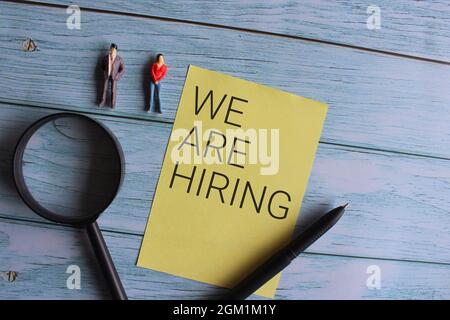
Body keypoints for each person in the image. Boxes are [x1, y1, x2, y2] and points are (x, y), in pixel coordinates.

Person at [99, 43, 125, 109]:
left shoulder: (119, 59)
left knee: (113, 90)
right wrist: (104, 72)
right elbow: (102, 66)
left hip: (114, 76)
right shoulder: (106, 58)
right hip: (107, 75)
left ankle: (113, 104)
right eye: (112, 50)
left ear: (116, 51)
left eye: (114, 50)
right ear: (110, 50)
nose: (113, 51)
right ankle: (102, 101)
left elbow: (123, 69)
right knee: (104, 89)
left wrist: (117, 75)